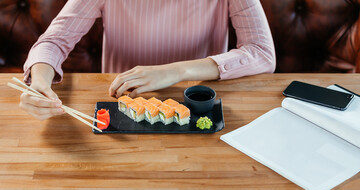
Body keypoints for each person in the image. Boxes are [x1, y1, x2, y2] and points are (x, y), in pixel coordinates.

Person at [20, 0, 275, 120]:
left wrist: (178, 71)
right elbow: (53, 41)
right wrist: (39, 83)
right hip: (123, 111)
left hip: (200, 114)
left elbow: (262, 52)